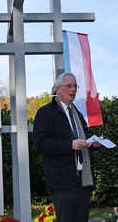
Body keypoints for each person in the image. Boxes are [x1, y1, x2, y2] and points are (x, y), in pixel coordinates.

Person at [33, 72, 101, 222]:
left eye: (75, 86)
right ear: (58, 89)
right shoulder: (45, 113)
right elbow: (40, 144)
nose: (73, 90)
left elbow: (83, 140)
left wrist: (93, 144)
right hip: (62, 182)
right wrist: (69, 145)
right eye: (69, 86)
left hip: (83, 181)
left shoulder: (77, 112)